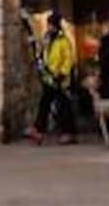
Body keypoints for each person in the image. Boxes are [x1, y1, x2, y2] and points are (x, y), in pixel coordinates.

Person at [31, 11, 78, 143]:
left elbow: (68, 59)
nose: (49, 27)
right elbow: (44, 54)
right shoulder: (47, 38)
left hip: (60, 78)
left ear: (56, 25)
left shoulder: (63, 40)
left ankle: (68, 132)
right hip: (49, 77)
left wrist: (62, 73)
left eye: (51, 25)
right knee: (45, 103)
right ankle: (39, 130)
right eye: (49, 24)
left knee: (63, 105)